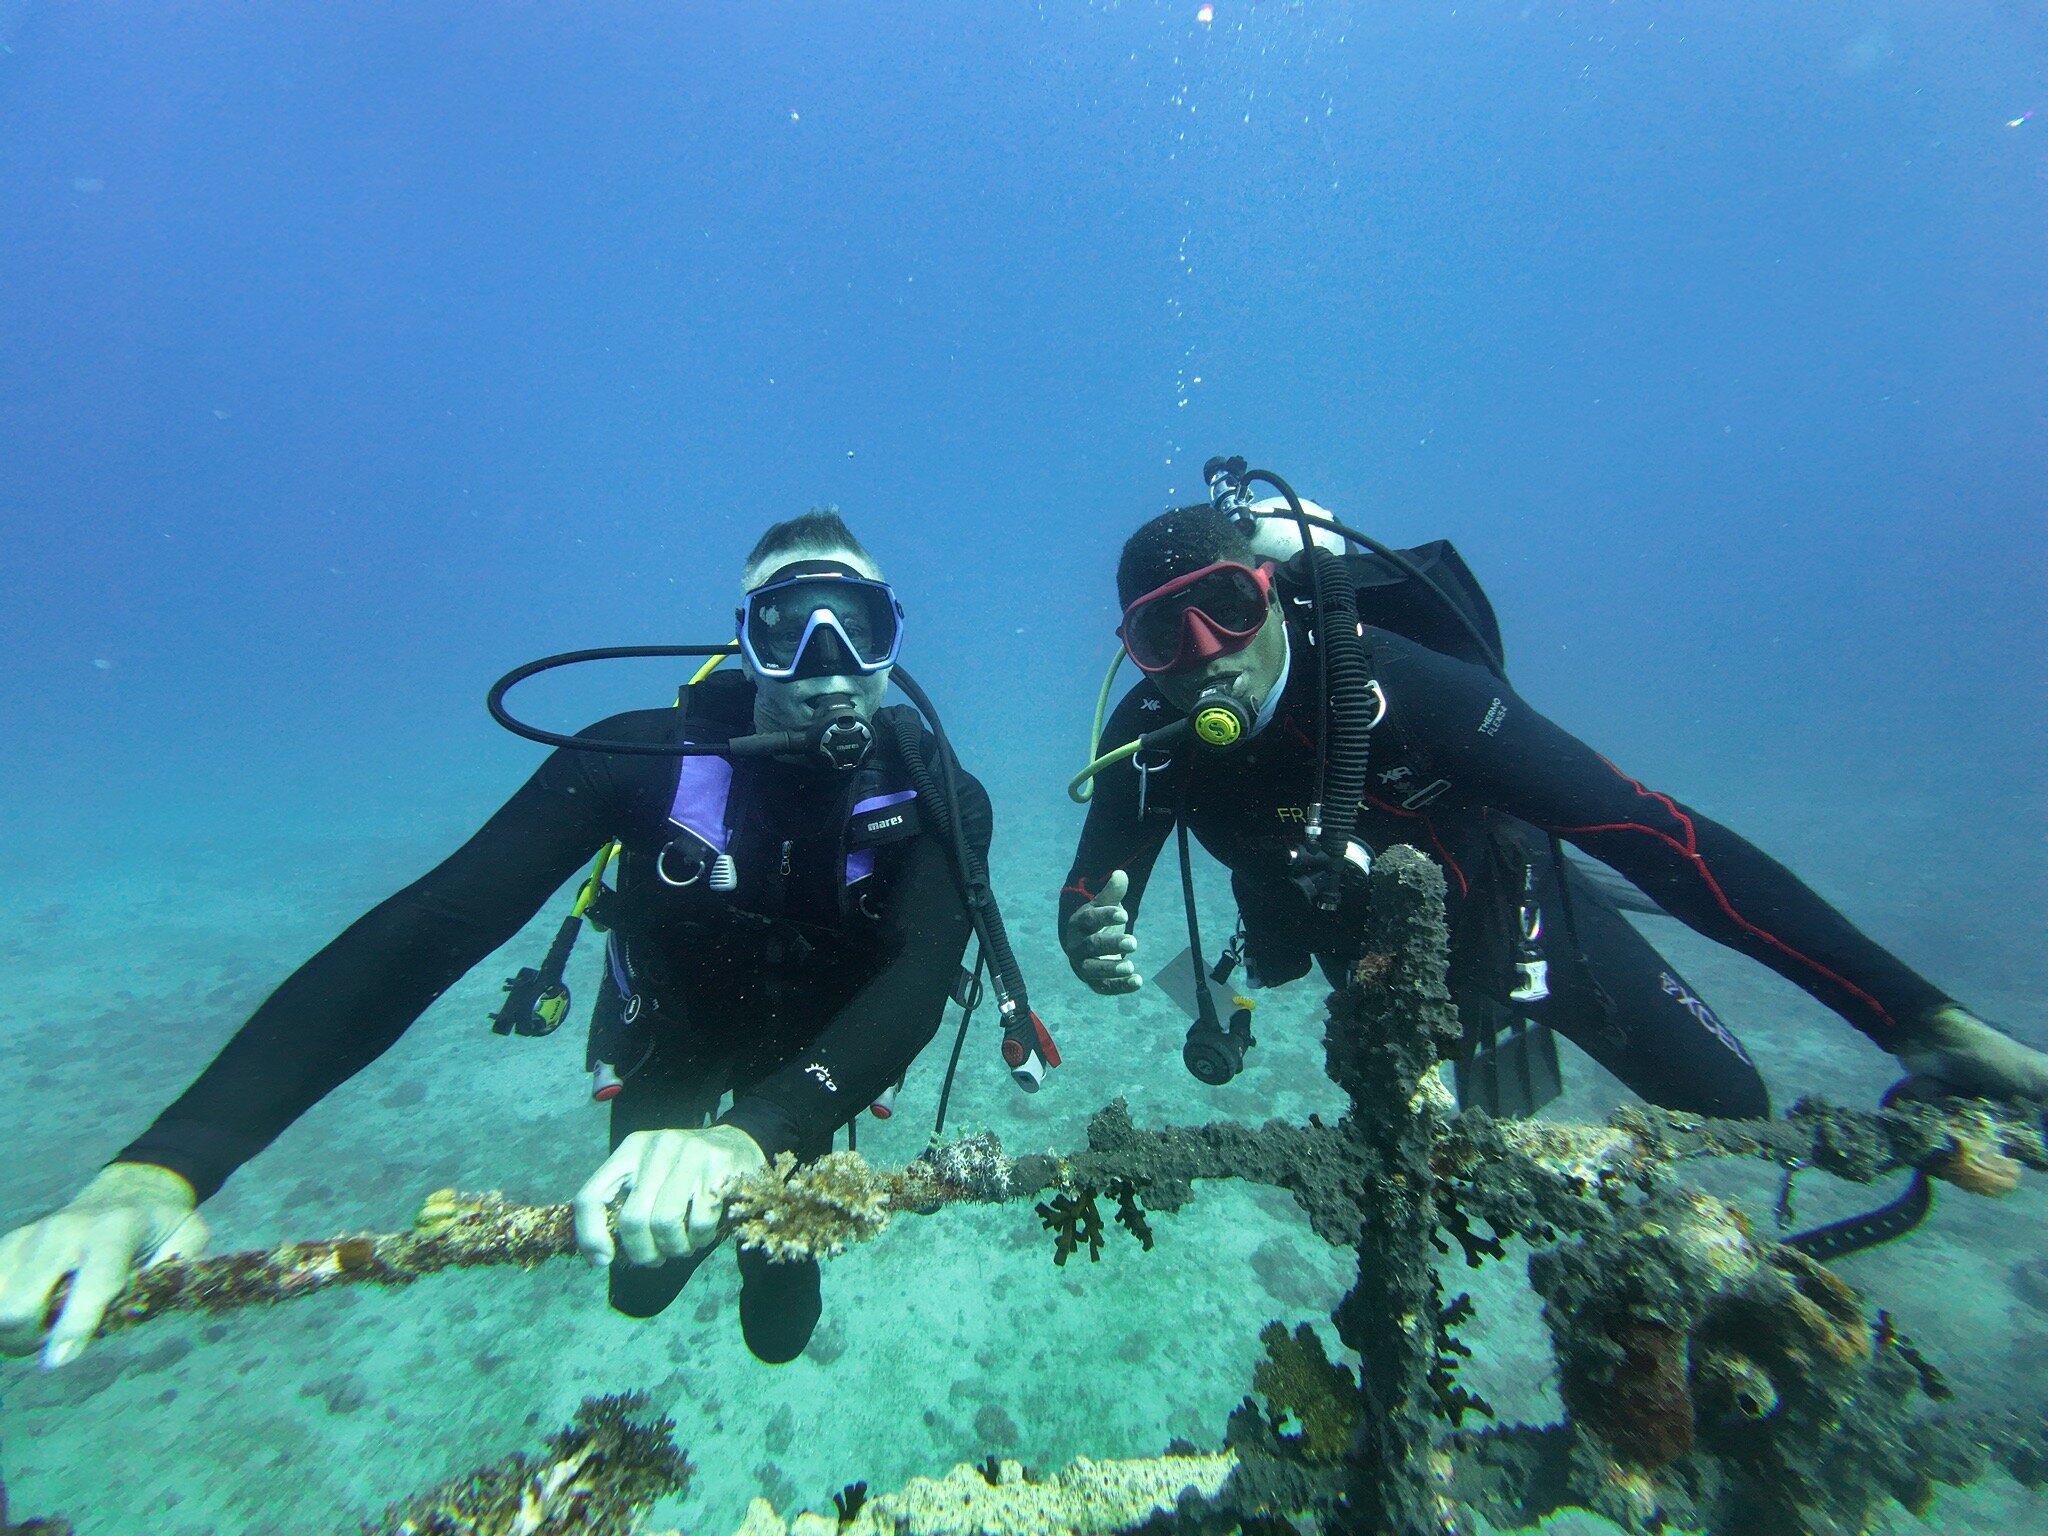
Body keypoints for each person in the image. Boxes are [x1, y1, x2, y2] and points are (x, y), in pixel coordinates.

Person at [0, 509, 993, 1370]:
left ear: (891, 639)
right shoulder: (636, 759)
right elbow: (433, 927)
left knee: (780, 1318)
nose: (828, 666)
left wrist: (750, 1135)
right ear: (744, 643)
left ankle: (768, 1272)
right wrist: (161, 1167)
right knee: (638, 1286)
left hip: (811, 1072)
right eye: (787, 631)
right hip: (669, 1045)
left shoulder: (942, 797)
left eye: (856, 628)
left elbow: (916, 977)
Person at [1061, 496, 2048, 1118]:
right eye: (1159, 632)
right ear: (1133, 650)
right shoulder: (1152, 747)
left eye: (1227, 604)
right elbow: (1089, 887)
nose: (1204, 650)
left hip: (1529, 916)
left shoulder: (1410, 691)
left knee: (1726, 1107)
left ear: (1274, 594)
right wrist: (1086, 935)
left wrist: (1913, 1019)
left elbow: (1660, 837)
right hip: (1364, 967)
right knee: (1421, 1140)